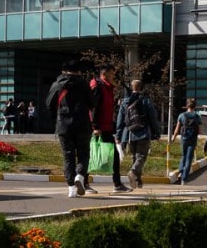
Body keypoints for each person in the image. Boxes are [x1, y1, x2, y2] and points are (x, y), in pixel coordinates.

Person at [46, 61, 93, 198]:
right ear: (78, 71)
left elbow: (49, 104)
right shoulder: (84, 84)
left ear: (63, 70)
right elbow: (92, 103)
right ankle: (80, 175)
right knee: (84, 153)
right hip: (82, 125)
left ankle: (71, 187)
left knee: (68, 155)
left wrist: (56, 117)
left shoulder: (57, 85)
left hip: (63, 126)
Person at [90, 64, 130, 192]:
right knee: (92, 154)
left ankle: (117, 184)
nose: (114, 76)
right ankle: (116, 184)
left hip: (106, 127)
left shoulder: (107, 88)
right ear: (105, 73)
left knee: (112, 155)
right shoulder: (98, 87)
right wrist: (95, 126)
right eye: (112, 73)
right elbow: (94, 108)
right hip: (99, 128)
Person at [116, 78, 160, 189]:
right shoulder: (145, 100)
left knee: (135, 157)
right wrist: (156, 132)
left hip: (129, 134)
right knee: (141, 156)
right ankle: (133, 171)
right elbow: (153, 118)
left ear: (131, 87)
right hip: (143, 133)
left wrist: (118, 135)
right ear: (141, 88)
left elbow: (120, 120)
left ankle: (137, 181)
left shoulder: (125, 101)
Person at [173, 98, 202, 184]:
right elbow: (199, 131)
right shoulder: (197, 117)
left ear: (187, 106)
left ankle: (180, 171)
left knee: (183, 156)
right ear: (194, 106)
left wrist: (173, 137)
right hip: (193, 139)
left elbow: (177, 129)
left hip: (184, 138)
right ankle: (184, 179)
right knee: (189, 158)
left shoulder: (182, 115)